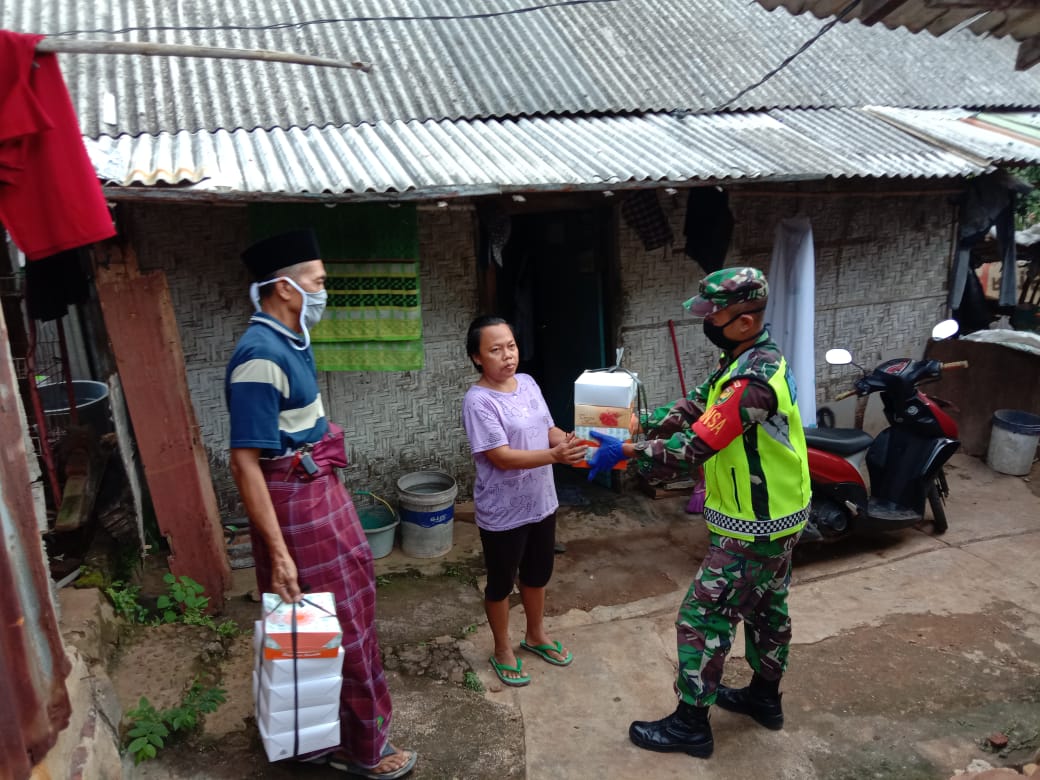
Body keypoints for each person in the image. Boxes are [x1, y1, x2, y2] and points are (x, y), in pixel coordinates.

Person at [589, 267, 811, 760]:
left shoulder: (754, 379)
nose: (706, 320)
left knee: (702, 615)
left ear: (745, 320)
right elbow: (695, 408)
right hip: (775, 514)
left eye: (715, 313)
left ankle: (691, 725)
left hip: (757, 524)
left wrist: (627, 451)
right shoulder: (741, 361)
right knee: (766, 607)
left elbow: (694, 447)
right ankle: (764, 698)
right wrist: (631, 421)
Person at [225, 229, 416, 779]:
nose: (323, 292)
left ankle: (315, 741)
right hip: (297, 508)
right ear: (285, 288)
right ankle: (363, 750)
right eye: (318, 282)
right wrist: (279, 553)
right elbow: (245, 464)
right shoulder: (258, 356)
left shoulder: (290, 341)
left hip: (319, 493)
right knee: (335, 627)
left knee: (334, 617)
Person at [461, 316, 587, 687]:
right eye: (495, 349)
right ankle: (502, 648)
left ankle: (535, 635)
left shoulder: (529, 383)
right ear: (477, 358)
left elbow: (546, 429)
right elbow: (500, 456)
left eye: (511, 346)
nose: (507, 356)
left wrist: (569, 441)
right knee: (501, 583)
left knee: (537, 573)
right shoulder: (478, 400)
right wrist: (556, 457)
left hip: (541, 500)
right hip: (503, 509)